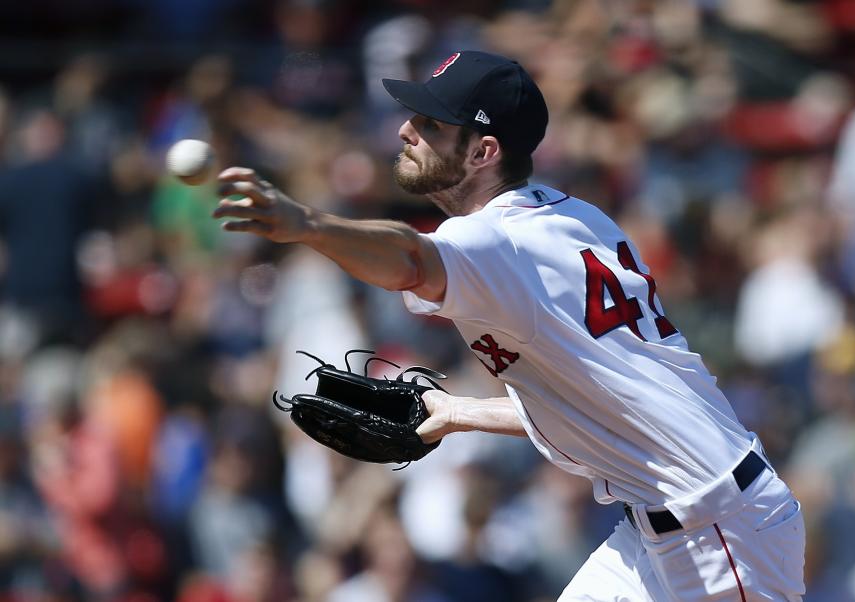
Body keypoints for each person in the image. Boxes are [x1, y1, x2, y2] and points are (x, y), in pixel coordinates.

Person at [212, 50, 806, 601]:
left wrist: (308, 224)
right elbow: (595, 399)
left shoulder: (495, 238)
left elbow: (411, 259)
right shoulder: (576, 217)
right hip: (676, 520)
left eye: (433, 125)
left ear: (483, 152)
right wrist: (459, 412)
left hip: (717, 531)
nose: (406, 130)